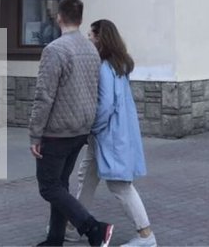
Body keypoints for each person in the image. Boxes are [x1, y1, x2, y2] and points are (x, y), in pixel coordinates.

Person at [63, 20, 156, 247]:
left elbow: (105, 106)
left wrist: (91, 128)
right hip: (110, 135)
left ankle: (146, 235)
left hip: (108, 136)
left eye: (91, 35)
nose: (88, 39)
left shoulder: (105, 67)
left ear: (100, 39)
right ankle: (74, 227)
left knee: (120, 185)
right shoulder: (119, 65)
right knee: (86, 179)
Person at [30, 0, 114, 247]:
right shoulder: (91, 49)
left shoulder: (54, 50)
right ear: (80, 19)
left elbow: (44, 95)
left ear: (59, 17)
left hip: (57, 131)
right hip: (80, 129)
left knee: (48, 187)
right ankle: (55, 239)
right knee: (61, 184)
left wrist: (35, 134)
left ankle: (93, 227)